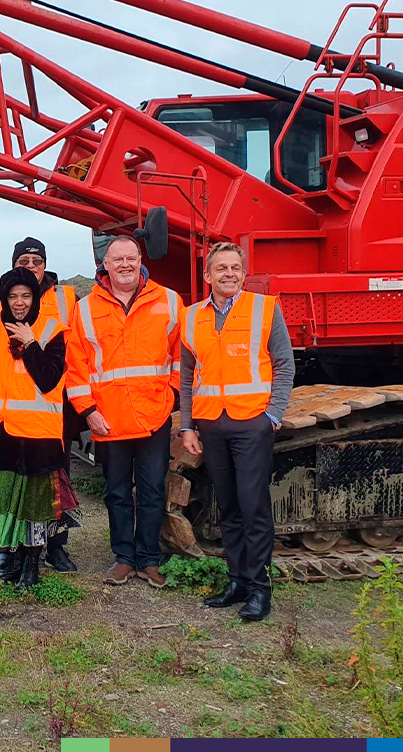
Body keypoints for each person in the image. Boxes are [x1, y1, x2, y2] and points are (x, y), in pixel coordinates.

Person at [180, 242, 295, 622]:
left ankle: (260, 588)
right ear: (208, 275)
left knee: (253, 507)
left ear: (243, 274)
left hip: (252, 424)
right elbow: (186, 375)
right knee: (227, 506)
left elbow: (284, 364)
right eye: (221, 268)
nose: (229, 273)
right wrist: (187, 426)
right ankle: (237, 582)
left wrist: (272, 416)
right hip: (212, 424)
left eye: (235, 268)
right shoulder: (192, 316)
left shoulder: (264, 309)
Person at [66, 236, 180, 588]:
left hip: (153, 416)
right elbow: (77, 365)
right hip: (109, 418)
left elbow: (183, 357)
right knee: (116, 492)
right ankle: (123, 558)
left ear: (140, 259)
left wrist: (172, 395)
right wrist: (88, 411)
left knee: (151, 490)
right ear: (105, 265)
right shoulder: (85, 308)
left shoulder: (169, 301)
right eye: (118, 260)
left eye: (131, 258)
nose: (125, 265)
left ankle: (148, 559)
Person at [0, 267, 81, 589]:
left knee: (35, 508)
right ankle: (10, 560)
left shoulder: (53, 331)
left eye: (26, 296)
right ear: (4, 299)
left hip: (40, 436)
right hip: (0, 437)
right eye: (13, 296)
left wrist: (31, 345)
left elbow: (49, 380)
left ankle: (32, 565)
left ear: (35, 298)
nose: (19, 303)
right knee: (3, 505)